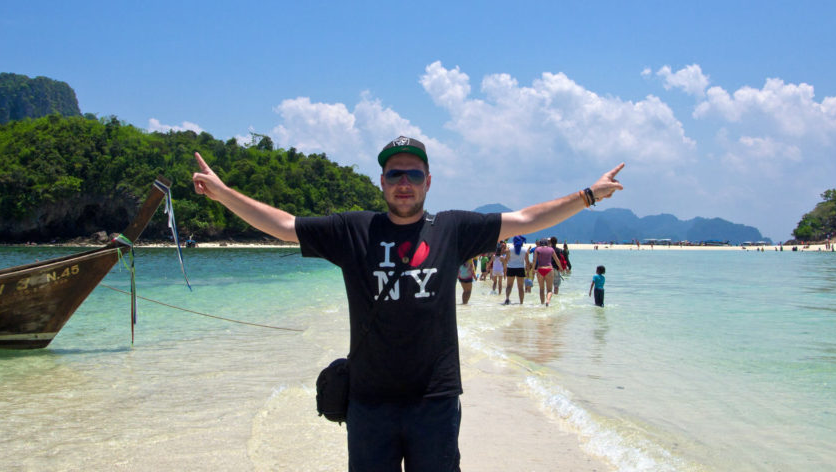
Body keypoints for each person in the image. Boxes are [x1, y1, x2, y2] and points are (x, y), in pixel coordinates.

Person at [192, 135, 624, 472]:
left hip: (434, 401)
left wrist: (587, 195)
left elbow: (528, 219)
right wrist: (224, 193)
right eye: (395, 174)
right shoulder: (353, 230)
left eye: (414, 175)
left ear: (428, 182)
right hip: (368, 403)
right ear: (381, 181)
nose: (404, 183)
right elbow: (286, 226)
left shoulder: (453, 228)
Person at [532, 238, 560, 306]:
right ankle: (547, 301)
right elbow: (557, 260)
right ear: (547, 243)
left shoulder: (537, 249)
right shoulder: (551, 249)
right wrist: (561, 268)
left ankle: (542, 304)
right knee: (549, 290)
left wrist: (532, 269)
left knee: (541, 289)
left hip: (540, 269)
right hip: (549, 270)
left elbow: (534, 260)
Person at [503, 235, 530, 305]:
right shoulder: (525, 250)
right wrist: (528, 272)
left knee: (509, 285)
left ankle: (507, 298)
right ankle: (521, 303)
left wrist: (504, 268)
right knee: (520, 287)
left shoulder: (510, 249)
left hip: (511, 268)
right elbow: (527, 262)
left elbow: (506, 259)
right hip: (520, 269)